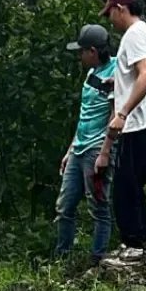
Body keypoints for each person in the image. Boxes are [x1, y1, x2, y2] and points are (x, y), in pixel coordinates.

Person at [101, 0, 146, 262]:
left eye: (110, 13)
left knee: (124, 187)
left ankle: (134, 246)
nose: (109, 20)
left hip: (139, 122)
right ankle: (145, 238)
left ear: (120, 9)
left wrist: (123, 112)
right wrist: (120, 81)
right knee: (134, 184)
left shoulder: (134, 35)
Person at [56, 24, 118, 265]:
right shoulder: (90, 74)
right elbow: (85, 115)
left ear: (93, 51)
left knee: (99, 207)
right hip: (79, 148)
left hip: (96, 149)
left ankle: (98, 261)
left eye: (82, 51)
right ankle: (63, 259)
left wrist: (105, 152)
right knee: (64, 206)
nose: (79, 56)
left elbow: (114, 115)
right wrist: (70, 149)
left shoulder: (116, 72)